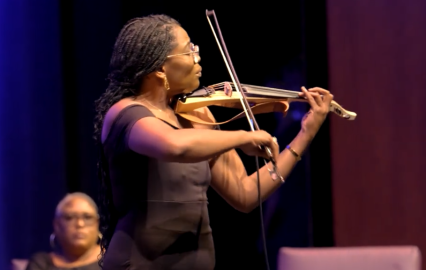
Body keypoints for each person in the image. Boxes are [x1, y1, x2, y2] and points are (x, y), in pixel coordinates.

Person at [93, 14, 333, 270]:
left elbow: (246, 193)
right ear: (161, 67)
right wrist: (243, 137)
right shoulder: (124, 114)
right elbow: (176, 145)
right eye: (189, 51)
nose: (198, 58)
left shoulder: (197, 115)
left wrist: (305, 134)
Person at [25, 192, 102, 270]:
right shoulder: (41, 263)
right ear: (57, 225)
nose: (80, 224)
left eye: (87, 217)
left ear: (97, 223)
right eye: (70, 217)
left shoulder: (110, 258)